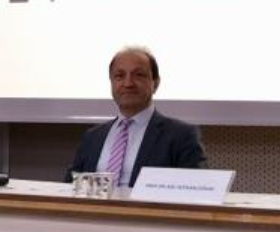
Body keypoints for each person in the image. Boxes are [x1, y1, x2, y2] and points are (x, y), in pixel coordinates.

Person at [67, 46, 207, 186]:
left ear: (155, 83)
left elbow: (197, 189)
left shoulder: (181, 136)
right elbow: (68, 187)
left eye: (139, 75)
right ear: (111, 83)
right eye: (120, 76)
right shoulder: (92, 137)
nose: (128, 83)